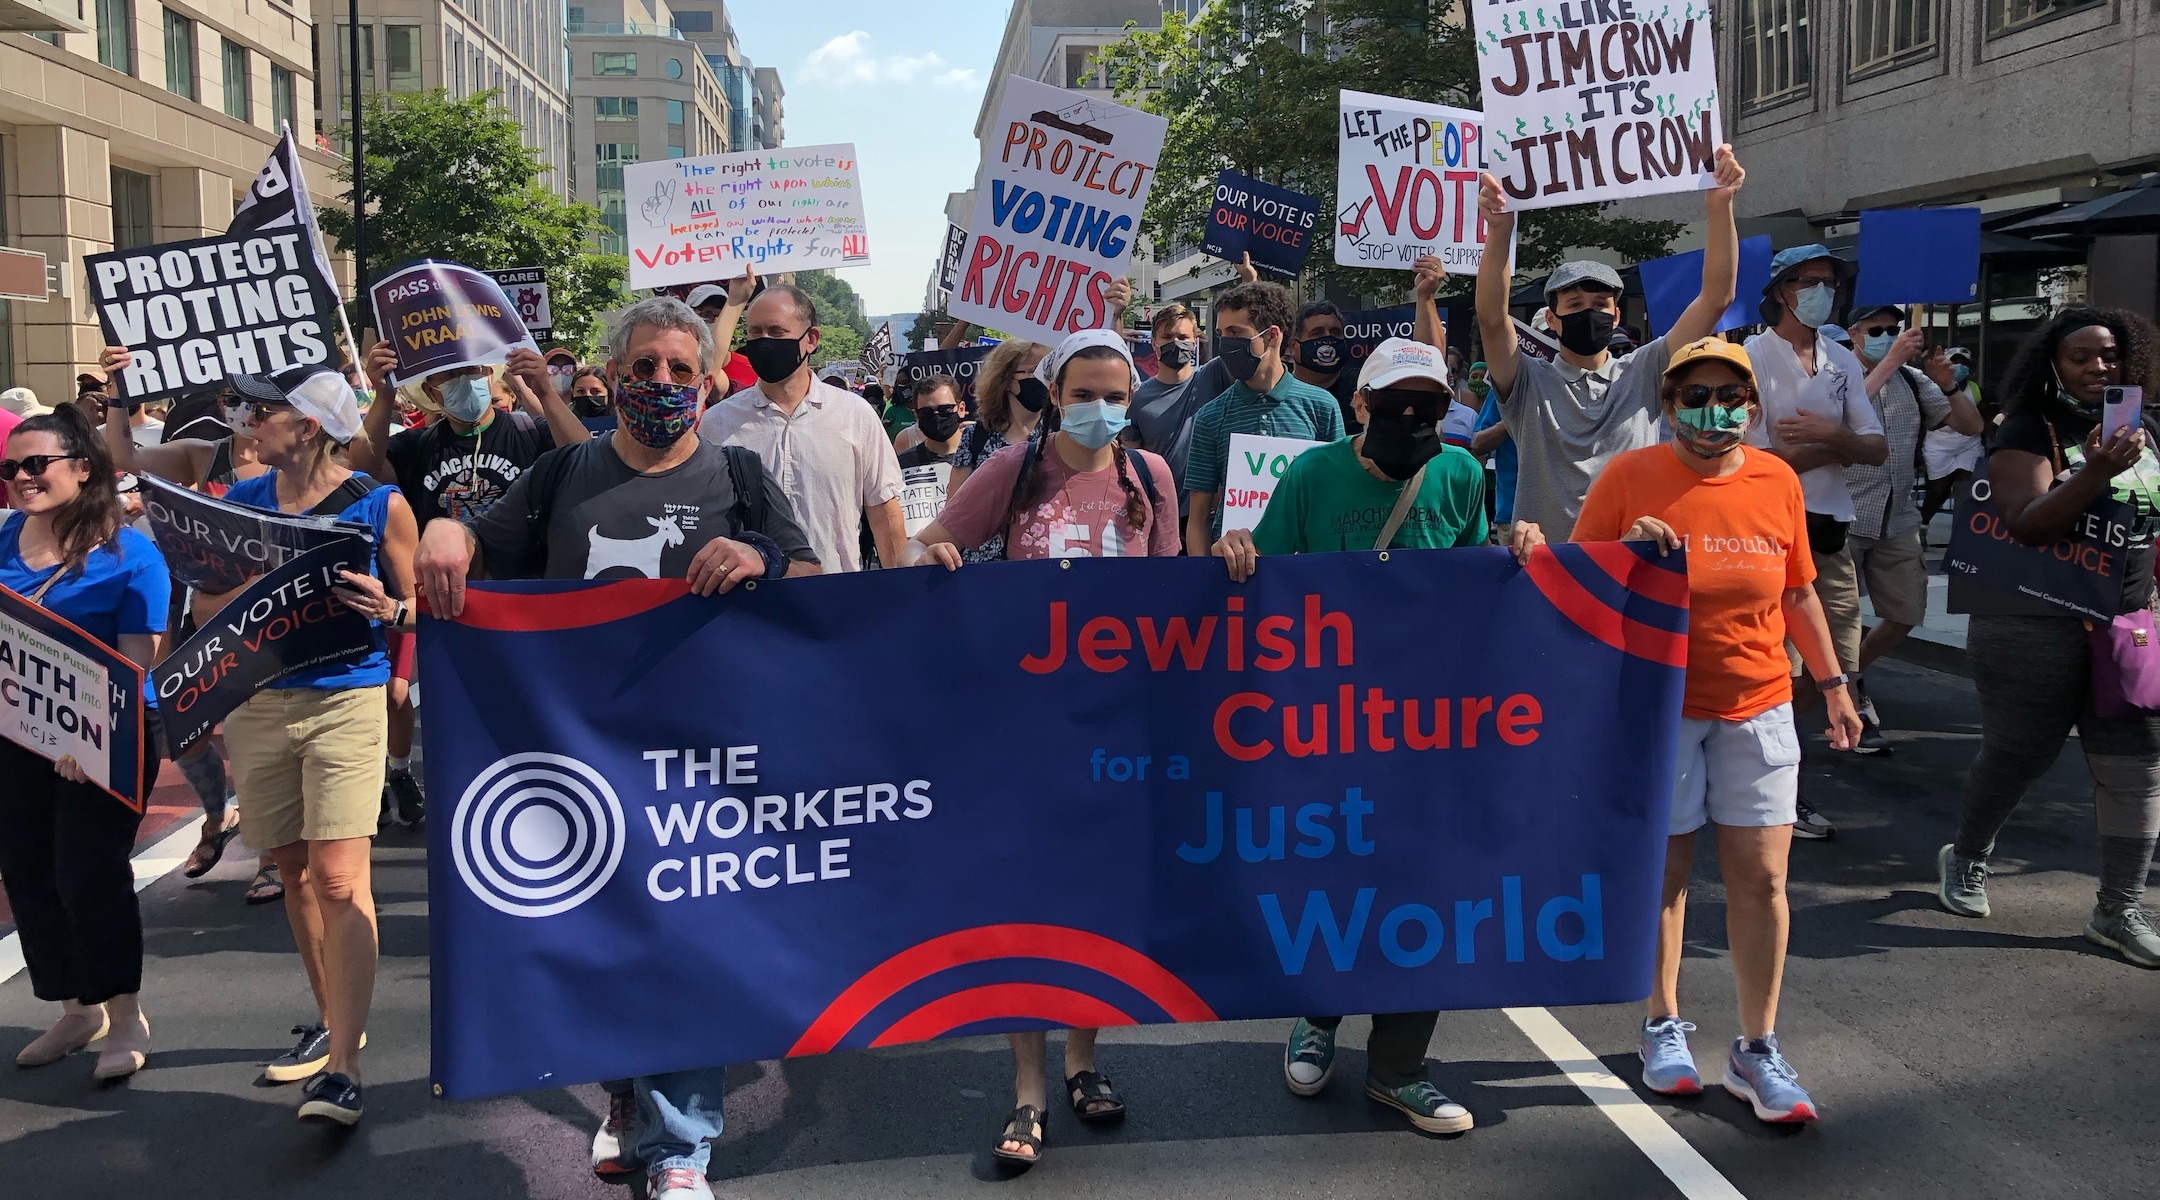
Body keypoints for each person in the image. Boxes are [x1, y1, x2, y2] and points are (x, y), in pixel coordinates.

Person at [414, 295, 820, 1200]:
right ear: (613, 373)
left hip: (701, 757)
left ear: (710, 379)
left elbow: (819, 579)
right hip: (580, 751)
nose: (662, 384)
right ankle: (626, 1094)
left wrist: (762, 558)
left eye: (681, 369)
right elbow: (478, 546)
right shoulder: (563, 473)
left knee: (689, 935)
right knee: (605, 934)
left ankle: (682, 1146)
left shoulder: (740, 475)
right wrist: (447, 529)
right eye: (643, 368)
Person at [1210, 337, 1542, 1134]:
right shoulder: (1312, 474)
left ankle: (1400, 1068)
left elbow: (1476, 587)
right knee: (1335, 884)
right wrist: (1234, 549)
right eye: (1395, 402)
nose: (1412, 416)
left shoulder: (1462, 473)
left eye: (1429, 404)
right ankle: (1318, 1018)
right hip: (1329, 726)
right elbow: (1267, 586)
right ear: (1359, 406)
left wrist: (1517, 551)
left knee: (1428, 891)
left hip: (1432, 734)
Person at [902, 331, 1175, 1164]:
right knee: (1025, 904)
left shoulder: (1149, 476)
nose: (1103, 409)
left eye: (1118, 396)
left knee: (1096, 900)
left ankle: (1083, 1066)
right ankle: (1026, 1093)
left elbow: (1170, 590)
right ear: (1054, 393)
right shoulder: (1011, 470)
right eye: (1087, 392)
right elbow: (924, 544)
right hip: (1023, 726)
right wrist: (940, 550)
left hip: (1115, 723)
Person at [1573, 336, 1860, 1124]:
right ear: (1667, 405)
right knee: (1664, 876)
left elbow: (1799, 593)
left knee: (1762, 879)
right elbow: (1579, 588)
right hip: (1658, 705)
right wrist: (1626, 555)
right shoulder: (1629, 478)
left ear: (1752, 406)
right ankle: (1662, 1024)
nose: (1715, 410)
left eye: (1731, 397)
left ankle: (1756, 1048)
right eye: (1695, 394)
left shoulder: (1776, 480)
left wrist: (1834, 685)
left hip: (1760, 702)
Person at [140, 357, 413, 1125]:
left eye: (262, 410)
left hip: (346, 700)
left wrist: (388, 608)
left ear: (312, 423)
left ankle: (347, 1068)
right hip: (258, 706)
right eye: (245, 409)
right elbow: (203, 609)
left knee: (336, 877)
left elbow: (421, 608)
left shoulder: (377, 502)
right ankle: (330, 1026)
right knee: (291, 872)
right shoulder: (242, 503)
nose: (246, 421)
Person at [1937, 307, 2160, 969]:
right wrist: (2094, 470)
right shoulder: (2028, 430)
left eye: (2111, 355)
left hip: (2125, 626)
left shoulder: (2146, 427)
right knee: (2020, 756)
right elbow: (2028, 525)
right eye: (2082, 356)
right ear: (2052, 364)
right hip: (2032, 621)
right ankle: (1968, 857)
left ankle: (2118, 908)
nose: (2100, 367)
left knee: (2137, 771)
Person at [0, 403, 169, 1082]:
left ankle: (124, 1014)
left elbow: (139, 665)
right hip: (16, 739)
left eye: (36, 464)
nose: (22, 478)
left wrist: (84, 737)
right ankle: (76, 1008)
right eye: (12, 468)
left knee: (87, 872)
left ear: (83, 467)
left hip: (106, 743)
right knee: (29, 871)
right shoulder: (5, 538)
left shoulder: (132, 555)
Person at [1474, 146, 1747, 537]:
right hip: (1547, 566)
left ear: (1616, 315)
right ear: (1551, 319)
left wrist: (1720, 205)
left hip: (1633, 563)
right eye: (1575, 304)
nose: (1590, 311)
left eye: (1601, 304)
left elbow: (1717, 297)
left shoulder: (1647, 368)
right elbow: (1492, 319)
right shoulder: (1527, 382)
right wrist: (1500, 230)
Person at [97, 382, 280, 901]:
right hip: (203, 607)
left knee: (255, 736)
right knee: (184, 731)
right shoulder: (205, 455)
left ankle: (271, 857)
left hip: (273, 617)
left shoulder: (294, 463)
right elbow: (123, 456)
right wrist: (117, 394)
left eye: (259, 403)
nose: (247, 413)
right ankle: (219, 813)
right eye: (235, 401)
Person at [1742, 246, 1888, 838]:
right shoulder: (1749, 357)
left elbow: (1875, 447)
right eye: (1811, 282)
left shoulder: (1841, 361)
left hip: (1830, 532)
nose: (1823, 291)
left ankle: (1769, 756)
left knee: (1837, 668)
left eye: (1830, 282)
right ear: (1782, 290)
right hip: (1769, 532)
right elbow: (1750, 457)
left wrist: (1829, 435)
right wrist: (1837, 444)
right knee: (1780, 662)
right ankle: (1780, 784)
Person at [1837, 308, 1984, 751]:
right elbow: (1841, 421)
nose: (1887, 337)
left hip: (1899, 516)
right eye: (1876, 330)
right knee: (1841, 620)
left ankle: (1849, 677)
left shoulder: (1913, 381)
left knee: (1905, 612)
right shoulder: (1835, 372)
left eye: (1892, 330)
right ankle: (1846, 701)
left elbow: (1970, 426)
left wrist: (1949, 384)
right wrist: (1889, 361)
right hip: (1845, 515)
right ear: (1854, 334)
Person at [700, 286, 903, 574]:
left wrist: (902, 591)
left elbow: (883, 510)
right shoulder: (718, 422)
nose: (764, 342)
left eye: (776, 331)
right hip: (749, 601)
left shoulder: (855, 416)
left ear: (810, 339)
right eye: (755, 333)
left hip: (834, 596)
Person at [1183, 280, 1347, 555]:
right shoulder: (1209, 417)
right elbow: (1198, 518)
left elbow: (1340, 497)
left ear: (1272, 336)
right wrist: (1205, 580)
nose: (1226, 343)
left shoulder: (1322, 407)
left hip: (1304, 569)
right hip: (1231, 570)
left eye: (1236, 332)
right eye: (1221, 334)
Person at [949, 338, 1048, 561]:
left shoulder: (1060, 435)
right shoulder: (977, 436)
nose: (1043, 379)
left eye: (1047, 370)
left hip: (1041, 566)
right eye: (1034, 371)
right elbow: (953, 513)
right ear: (1006, 379)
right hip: (983, 571)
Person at [1125, 303, 1209, 518]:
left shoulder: (1211, 378)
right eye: (1168, 337)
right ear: (1154, 344)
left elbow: (1248, 332)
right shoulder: (1137, 398)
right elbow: (1130, 463)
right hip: (1159, 512)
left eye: (1183, 337)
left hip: (1208, 513)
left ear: (1195, 342)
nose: (1176, 343)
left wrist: (1249, 279)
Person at [1921, 346, 1987, 535]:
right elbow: (1928, 419)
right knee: (1939, 490)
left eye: (1963, 363)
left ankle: (1960, 532)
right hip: (1939, 446)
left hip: (1969, 445)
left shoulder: (1974, 389)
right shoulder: (1933, 388)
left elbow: (1983, 417)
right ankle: (1923, 524)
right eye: (1954, 362)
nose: (1959, 367)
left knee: (1965, 487)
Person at [895, 373, 964, 537]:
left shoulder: (984, 460)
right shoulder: (900, 466)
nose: (937, 417)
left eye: (945, 410)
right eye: (926, 413)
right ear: (916, 416)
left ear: (961, 409)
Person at [1286, 300, 1359, 433]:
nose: (1328, 338)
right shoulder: (1280, 392)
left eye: (1335, 332)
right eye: (1317, 333)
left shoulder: (1362, 387)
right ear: (1293, 347)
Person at [688, 270, 761, 396]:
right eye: (706, 315)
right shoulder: (674, 368)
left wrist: (737, 300)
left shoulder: (753, 369)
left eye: (722, 315)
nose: (717, 322)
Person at [1467, 363, 1518, 531]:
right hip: (1513, 514)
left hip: (1569, 512)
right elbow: (1478, 443)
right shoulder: (1504, 391)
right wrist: (1510, 420)